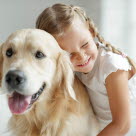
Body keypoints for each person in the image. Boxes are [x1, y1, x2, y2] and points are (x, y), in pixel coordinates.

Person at [35, 3, 136, 136]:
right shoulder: (66, 68)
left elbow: (122, 125)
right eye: (69, 54)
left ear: (91, 31)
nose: (81, 57)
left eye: (85, 44)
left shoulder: (112, 67)